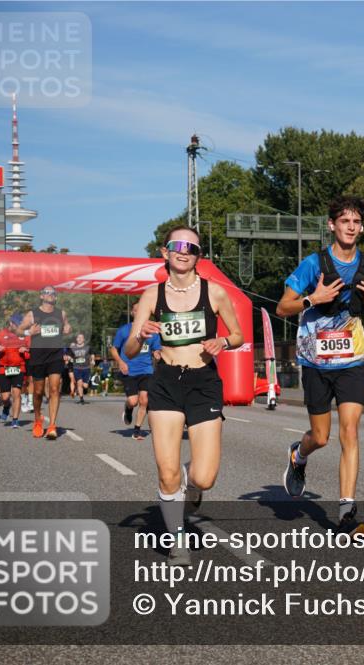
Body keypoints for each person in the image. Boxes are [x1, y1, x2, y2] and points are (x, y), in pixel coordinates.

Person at [127, 225, 242, 566]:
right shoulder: (152, 295)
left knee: (204, 477)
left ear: (198, 256)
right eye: (177, 245)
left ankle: (190, 488)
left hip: (203, 382)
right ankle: (177, 540)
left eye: (191, 248)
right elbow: (131, 350)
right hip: (165, 382)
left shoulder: (215, 293)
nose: (183, 251)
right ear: (165, 252)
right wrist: (142, 333)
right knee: (167, 471)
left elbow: (236, 334)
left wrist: (222, 341)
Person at [277, 195, 364, 537]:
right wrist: (313, 299)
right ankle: (299, 455)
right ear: (332, 225)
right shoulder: (313, 264)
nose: (351, 227)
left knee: (350, 431)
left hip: (351, 357)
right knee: (321, 437)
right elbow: (283, 307)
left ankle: (347, 512)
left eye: (356, 222)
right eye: (344, 221)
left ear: (361, 227)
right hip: (315, 360)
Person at [16, 286, 71, 440]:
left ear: (56, 297)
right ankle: (38, 420)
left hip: (55, 355)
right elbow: (19, 330)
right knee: (38, 392)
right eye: (47, 293)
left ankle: (52, 425)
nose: (51, 295)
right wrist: (29, 332)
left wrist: (68, 328)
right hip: (38, 356)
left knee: (54, 389)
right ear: (41, 296)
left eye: (53, 293)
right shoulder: (33, 314)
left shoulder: (61, 313)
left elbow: (67, 326)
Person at [112, 304, 162, 440]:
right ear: (133, 313)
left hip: (146, 370)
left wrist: (157, 354)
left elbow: (156, 349)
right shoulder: (124, 330)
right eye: (136, 310)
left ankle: (137, 430)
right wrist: (121, 362)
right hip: (129, 370)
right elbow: (113, 349)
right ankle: (128, 408)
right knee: (133, 401)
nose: (139, 312)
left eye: (142, 310)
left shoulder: (153, 332)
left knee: (144, 400)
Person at [0, 313, 29, 428]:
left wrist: (25, 350)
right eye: (17, 325)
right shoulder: (1, 334)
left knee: (17, 394)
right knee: (5, 397)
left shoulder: (25, 335)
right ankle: (6, 406)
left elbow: (30, 351)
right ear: (11, 323)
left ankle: (15, 420)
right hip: (4, 369)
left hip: (19, 367)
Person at [69, 333, 92, 404]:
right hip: (77, 368)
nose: (79, 339)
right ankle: (81, 399)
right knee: (79, 383)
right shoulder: (73, 348)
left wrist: (93, 360)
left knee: (85, 386)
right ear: (76, 339)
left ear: (84, 339)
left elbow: (92, 354)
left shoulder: (88, 347)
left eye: (81, 337)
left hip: (86, 368)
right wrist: (70, 358)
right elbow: (69, 356)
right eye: (78, 338)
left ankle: (88, 384)